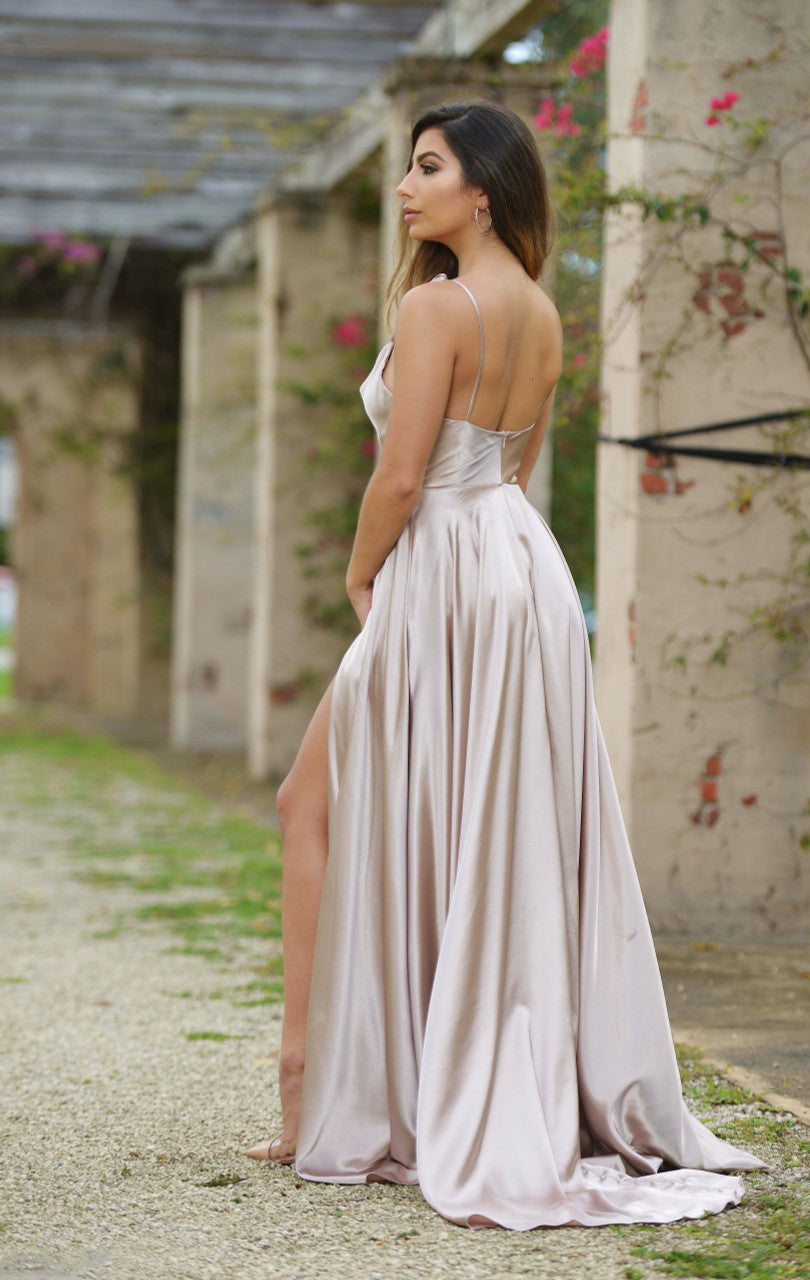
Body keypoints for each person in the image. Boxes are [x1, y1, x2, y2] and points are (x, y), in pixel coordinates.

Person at [247, 99, 765, 1230]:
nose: (404, 187)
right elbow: (513, 465)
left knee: (324, 800)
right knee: (469, 815)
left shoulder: (438, 305)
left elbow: (400, 475)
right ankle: (371, 1075)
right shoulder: (537, 309)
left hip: (439, 560)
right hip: (516, 564)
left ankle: (318, 1084)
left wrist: (359, 574)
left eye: (425, 167)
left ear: (480, 187)